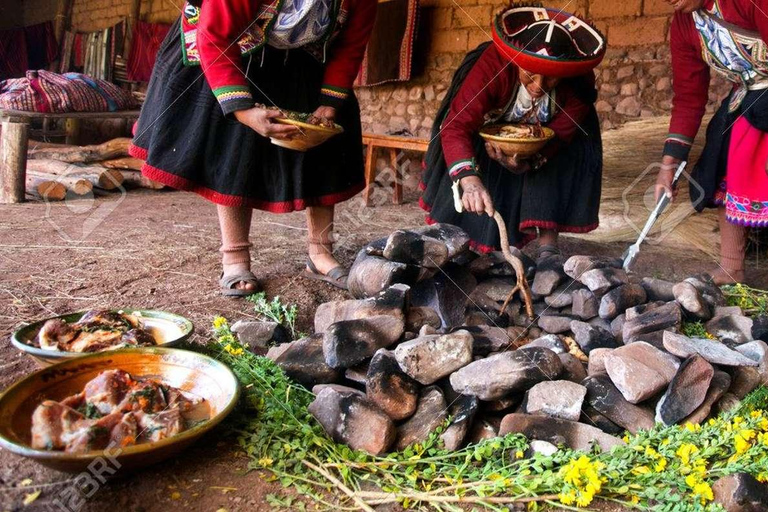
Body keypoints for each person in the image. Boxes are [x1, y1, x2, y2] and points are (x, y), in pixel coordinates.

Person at [129, 0, 377, 295]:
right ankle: (235, 258)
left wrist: (329, 104)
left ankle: (320, 253)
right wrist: (244, 112)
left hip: (303, 50)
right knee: (236, 143)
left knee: (326, 141)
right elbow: (214, 37)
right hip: (226, 43)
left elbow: (350, 45)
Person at [420, 5, 605, 258]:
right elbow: (458, 125)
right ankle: (465, 242)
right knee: (473, 164)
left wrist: (533, 161)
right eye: (530, 74)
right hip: (487, 128)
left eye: (550, 78)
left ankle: (548, 249)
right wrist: (470, 181)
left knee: (570, 148)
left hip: (546, 136)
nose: (539, 87)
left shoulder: (577, 83)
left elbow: (562, 133)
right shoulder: (492, 67)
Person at [656, 0, 768, 285]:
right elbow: (689, 97)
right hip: (746, 95)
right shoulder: (683, 25)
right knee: (722, 160)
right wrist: (668, 165)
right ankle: (732, 268)